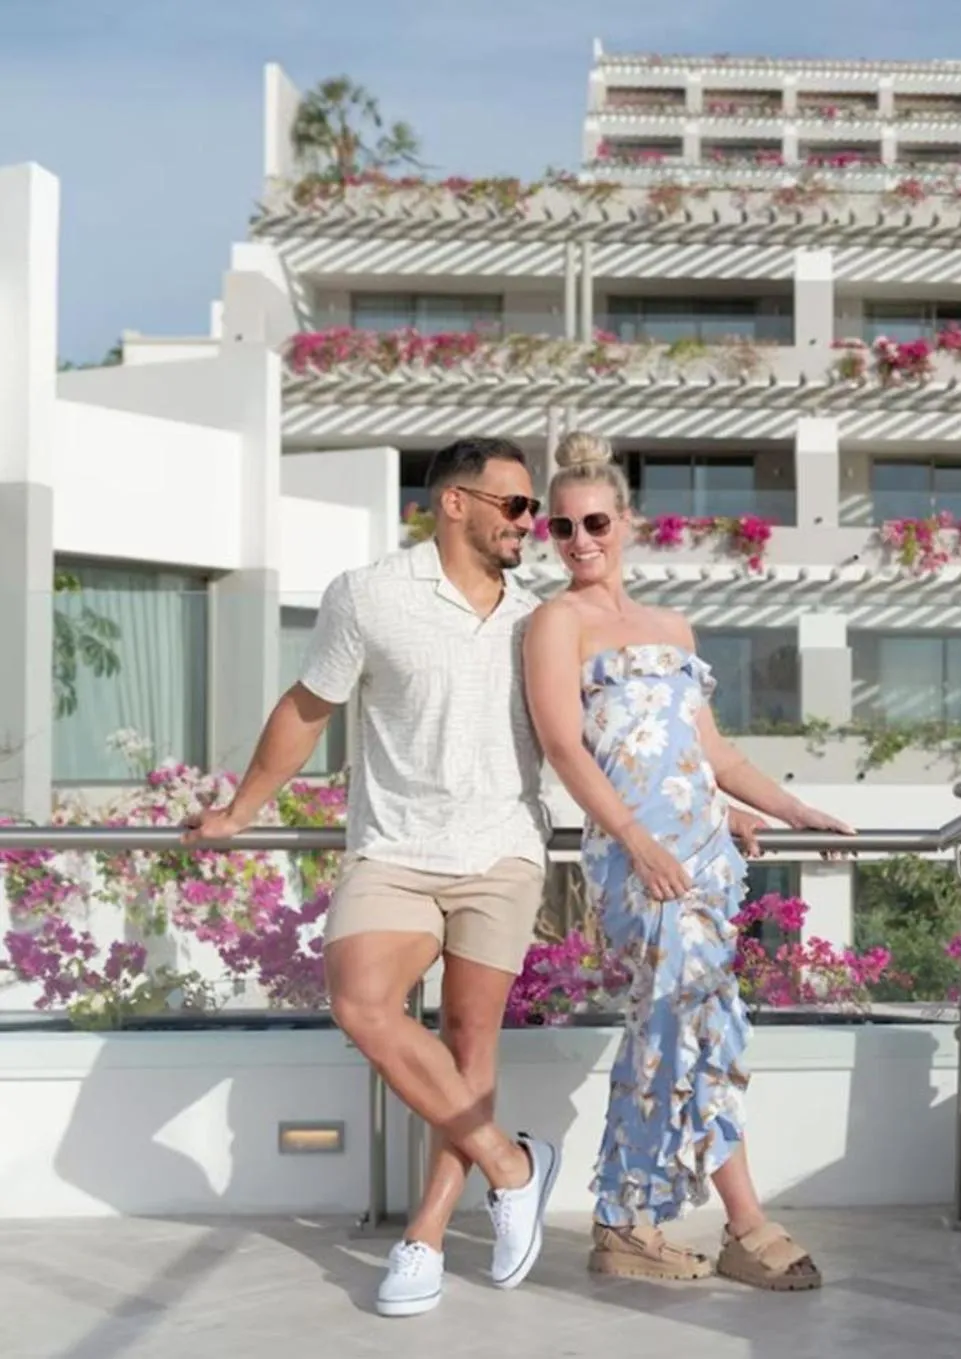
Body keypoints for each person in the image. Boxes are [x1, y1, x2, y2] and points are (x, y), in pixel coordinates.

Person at [180, 435, 763, 1319]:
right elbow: (306, 709)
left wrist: (715, 810)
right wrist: (241, 810)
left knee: (468, 1045)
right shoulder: (370, 593)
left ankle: (423, 1235)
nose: (536, 526)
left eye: (547, 513)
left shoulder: (539, 617)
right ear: (455, 503)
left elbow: (620, 734)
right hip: (395, 849)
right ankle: (511, 1165)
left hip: (503, 854)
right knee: (362, 999)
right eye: (521, 507)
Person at [522, 431, 853, 1291]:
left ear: (627, 522)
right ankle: (731, 1222)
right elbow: (566, 748)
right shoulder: (554, 623)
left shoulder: (672, 626)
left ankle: (632, 1222)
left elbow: (710, 752)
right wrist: (638, 842)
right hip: (639, 864)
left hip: (706, 855)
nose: (580, 540)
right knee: (681, 1023)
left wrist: (788, 807)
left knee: (688, 1028)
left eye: (595, 521)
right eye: (561, 528)